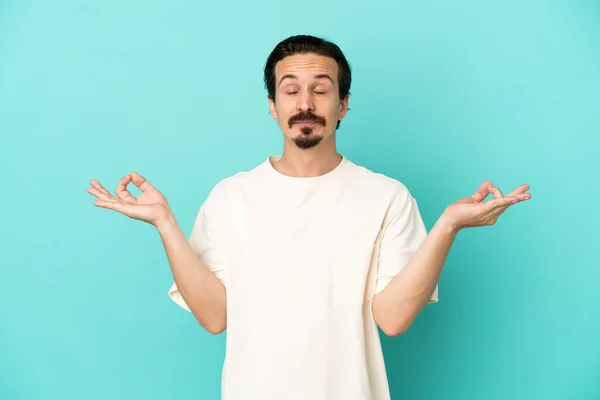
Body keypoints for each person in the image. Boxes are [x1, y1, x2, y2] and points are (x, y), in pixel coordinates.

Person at [87, 34, 531, 400]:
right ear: (272, 105)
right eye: (290, 90)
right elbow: (214, 316)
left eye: (321, 89)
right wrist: (165, 223)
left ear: (341, 106)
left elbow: (393, 320)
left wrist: (449, 224)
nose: (305, 103)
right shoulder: (231, 197)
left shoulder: (386, 197)